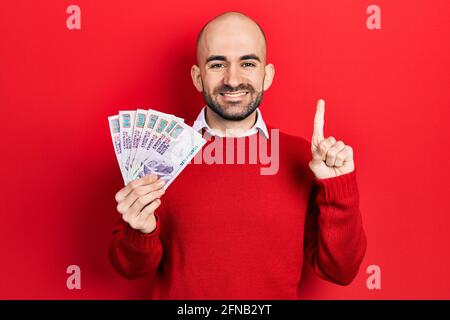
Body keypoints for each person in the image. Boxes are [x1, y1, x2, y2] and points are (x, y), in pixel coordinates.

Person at [109, 11, 367, 299]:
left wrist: (338, 189)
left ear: (266, 75)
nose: (233, 80)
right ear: (198, 77)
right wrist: (139, 231)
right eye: (218, 64)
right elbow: (130, 270)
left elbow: (340, 271)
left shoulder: (304, 158)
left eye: (247, 63)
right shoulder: (159, 153)